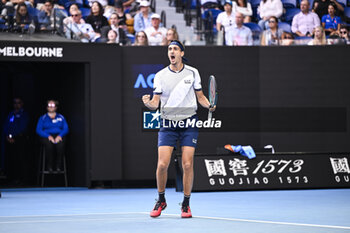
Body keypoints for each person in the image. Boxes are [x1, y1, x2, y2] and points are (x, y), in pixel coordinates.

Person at [142, 40, 216, 218]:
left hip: (188, 123)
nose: (171, 52)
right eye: (169, 49)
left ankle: (186, 204)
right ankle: (161, 200)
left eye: (175, 49)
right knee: (162, 165)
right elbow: (155, 103)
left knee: (188, 164)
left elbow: (201, 97)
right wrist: (148, 103)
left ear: (182, 53)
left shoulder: (193, 72)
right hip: (168, 124)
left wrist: (209, 105)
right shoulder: (160, 75)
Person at [2, 97, 29, 185]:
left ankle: (22, 179)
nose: (16, 105)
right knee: (11, 159)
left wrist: (14, 136)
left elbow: (23, 127)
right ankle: (12, 178)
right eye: (15, 103)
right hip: (9, 139)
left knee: (20, 159)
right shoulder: (11, 114)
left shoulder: (24, 114)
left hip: (20, 139)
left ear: (22, 104)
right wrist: (8, 135)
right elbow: (6, 125)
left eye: (18, 103)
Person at [36, 100, 68, 172]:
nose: (51, 107)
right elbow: (38, 130)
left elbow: (66, 128)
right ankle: (49, 166)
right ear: (47, 107)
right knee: (49, 145)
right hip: (46, 136)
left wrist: (60, 135)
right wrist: (48, 136)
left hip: (58, 135)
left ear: (56, 107)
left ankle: (58, 166)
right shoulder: (43, 118)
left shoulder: (61, 117)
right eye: (49, 105)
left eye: (52, 105)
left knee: (60, 145)